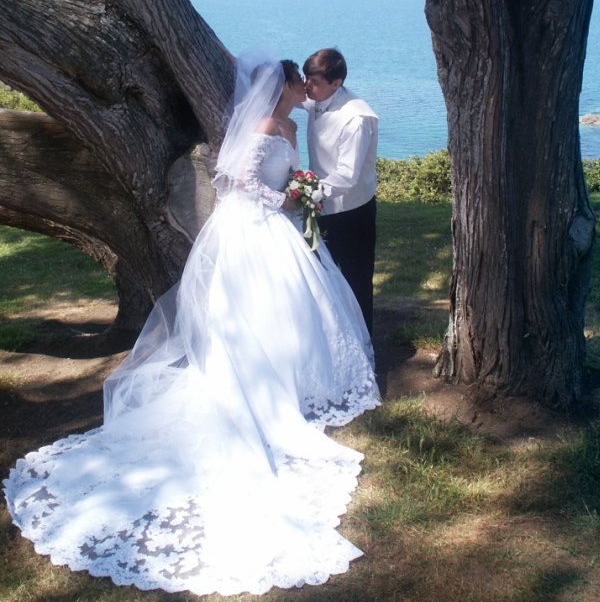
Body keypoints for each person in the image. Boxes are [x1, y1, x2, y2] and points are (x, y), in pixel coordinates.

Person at [3, 48, 380, 597]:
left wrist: (296, 194)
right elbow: (237, 181)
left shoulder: (290, 125)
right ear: (281, 87)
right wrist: (282, 198)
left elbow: (285, 175)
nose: (303, 87)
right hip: (253, 228)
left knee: (297, 306)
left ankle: (292, 380)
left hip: (277, 224)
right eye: (298, 80)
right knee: (257, 307)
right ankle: (252, 382)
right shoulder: (261, 125)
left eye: (308, 80)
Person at [303, 48, 378, 335]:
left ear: (337, 83)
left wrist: (306, 194)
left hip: (352, 212)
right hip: (321, 206)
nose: (308, 86)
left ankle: (365, 345)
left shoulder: (355, 119)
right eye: (306, 78)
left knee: (356, 280)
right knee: (324, 279)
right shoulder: (317, 98)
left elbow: (347, 176)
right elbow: (294, 97)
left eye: (315, 81)